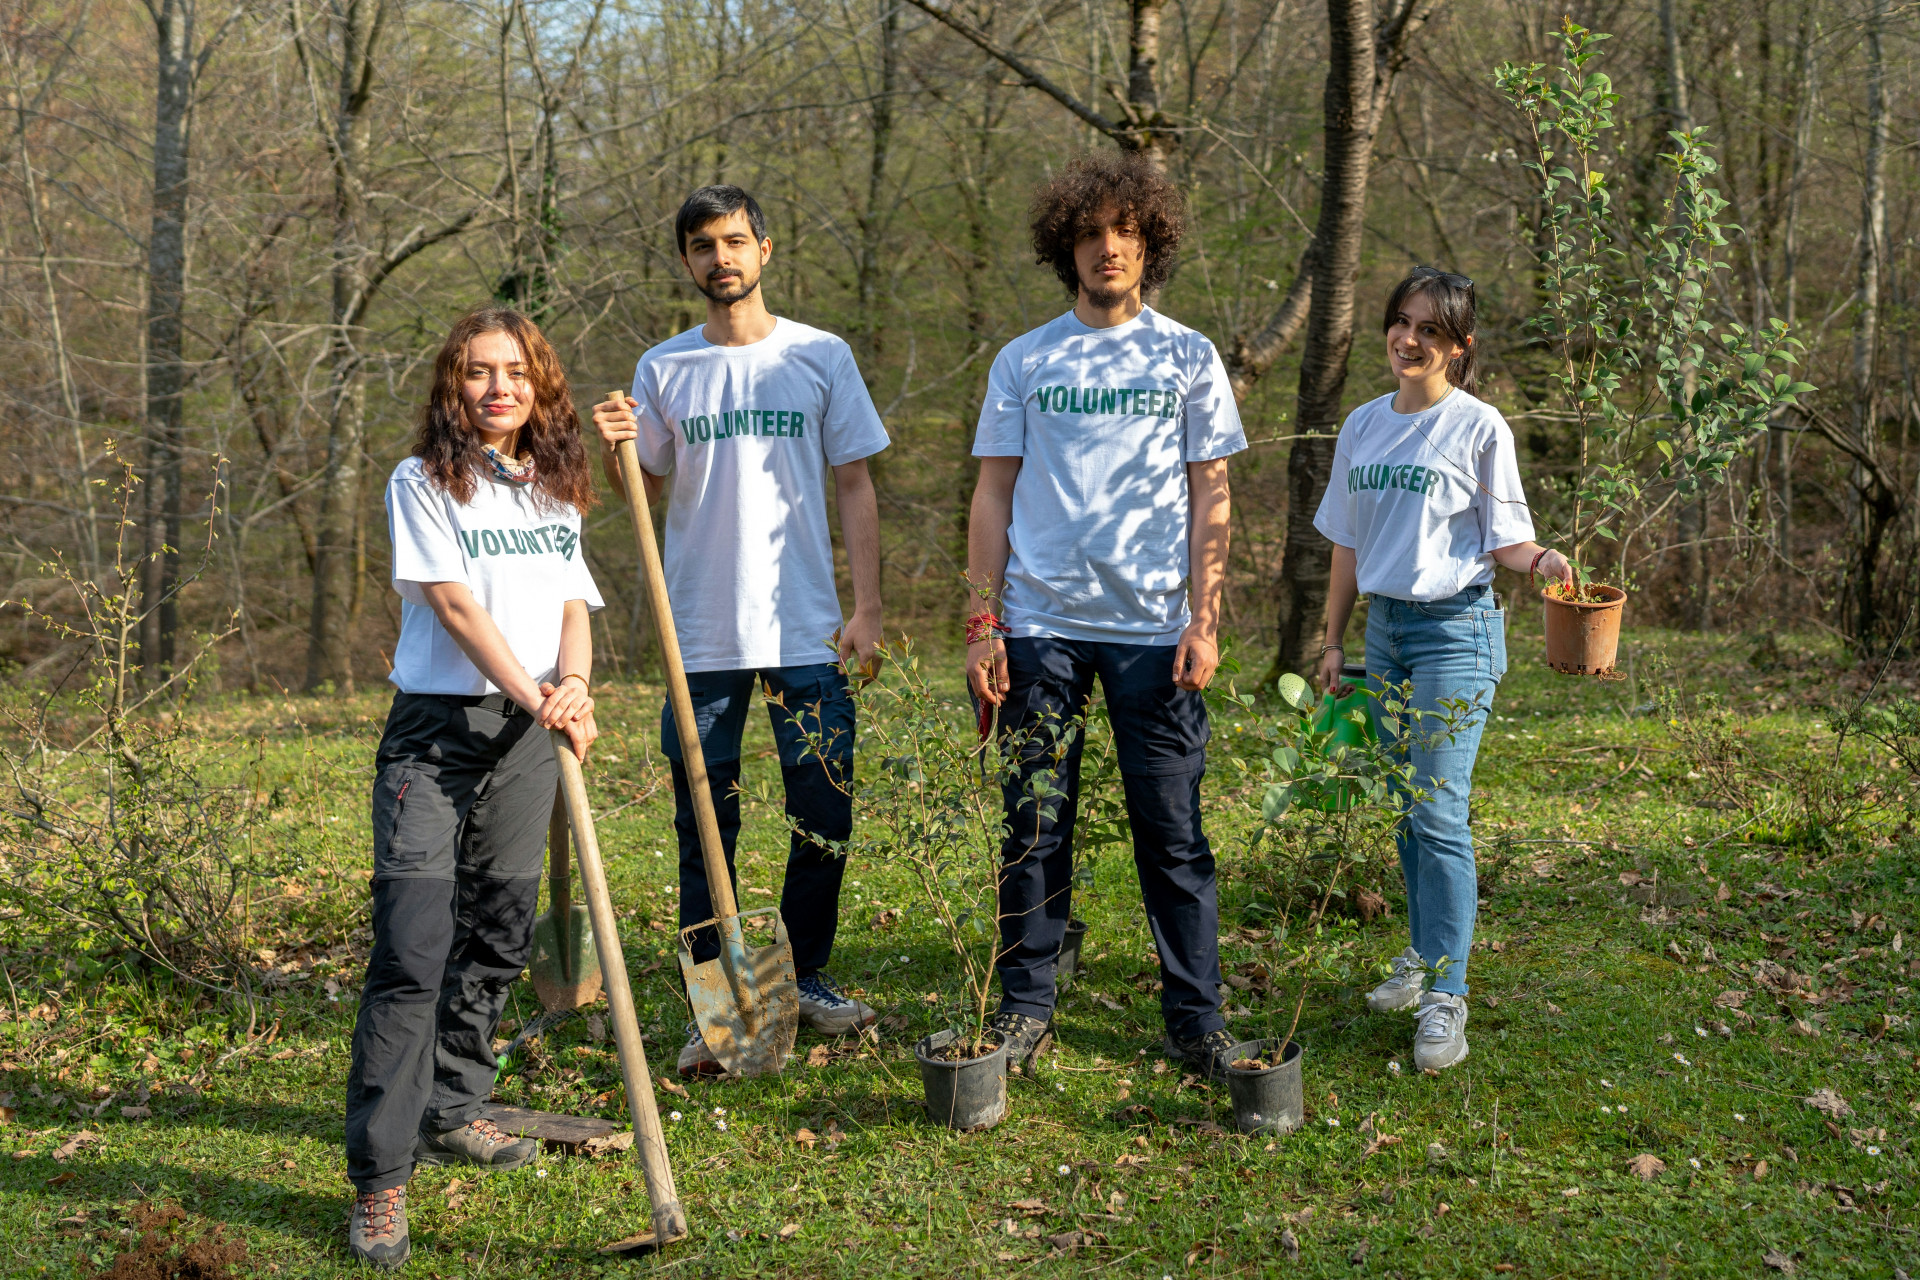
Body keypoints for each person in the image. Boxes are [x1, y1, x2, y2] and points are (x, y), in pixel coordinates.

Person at [592, 184, 889, 1077]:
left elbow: (856, 485)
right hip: (703, 635)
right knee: (704, 820)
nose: (719, 259)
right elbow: (641, 495)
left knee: (822, 808)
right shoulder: (664, 369)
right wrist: (616, 447)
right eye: (701, 247)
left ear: (765, 249)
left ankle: (805, 976)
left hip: (806, 627)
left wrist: (867, 606)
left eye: (733, 242)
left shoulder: (821, 356)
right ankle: (720, 1003)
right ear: (686, 262)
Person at [964, 152, 1246, 1078]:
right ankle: (1024, 1008)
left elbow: (1214, 496)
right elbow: (993, 497)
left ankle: (1195, 1018)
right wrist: (983, 624)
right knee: (1035, 823)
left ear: (1150, 241)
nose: (1107, 248)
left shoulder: (1187, 355)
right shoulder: (1026, 359)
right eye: (1089, 233)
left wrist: (1204, 619)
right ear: (1066, 247)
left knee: (1173, 833)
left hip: (1156, 636)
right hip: (1040, 626)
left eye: (1125, 230)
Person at [345, 308, 603, 1268]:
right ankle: (379, 1179)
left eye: (517, 373)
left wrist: (574, 682)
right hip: (436, 738)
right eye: (478, 373)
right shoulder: (421, 483)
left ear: (541, 389)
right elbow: (454, 606)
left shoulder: (555, 488)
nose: (500, 388)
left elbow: (574, 604)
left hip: (529, 736)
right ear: (452, 387)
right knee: (413, 951)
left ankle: (454, 1106)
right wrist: (541, 690)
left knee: (497, 933)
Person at [1312, 266, 1572, 1072]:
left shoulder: (1480, 427)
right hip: (1386, 634)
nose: (1409, 339)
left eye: (1430, 329)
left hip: (1457, 632)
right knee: (1406, 807)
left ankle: (1447, 996)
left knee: (1440, 813)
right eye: (1400, 321)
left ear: (1460, 346)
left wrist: (1545, 562)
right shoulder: (1361, 426)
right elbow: (1347, 545)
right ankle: (1422, 961)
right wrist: (1332, 639)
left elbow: (1505, 541)